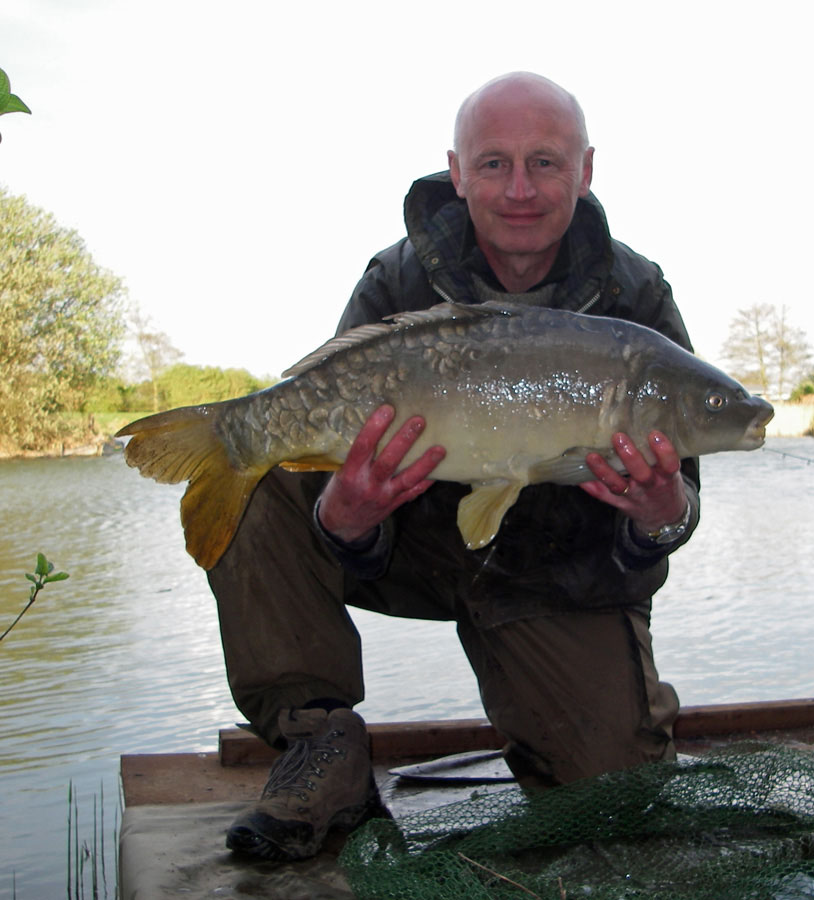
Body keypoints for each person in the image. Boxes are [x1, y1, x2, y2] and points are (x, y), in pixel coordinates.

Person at [209, 71, 701, 862]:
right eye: (494, 163)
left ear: (585, 171)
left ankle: (555, 726)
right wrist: (346, 520)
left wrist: (660, 516)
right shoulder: (397, 282)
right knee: (259, 463)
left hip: (555, 577)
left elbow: (680, 504)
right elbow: (322, 441)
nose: (519, 189)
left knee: (615, 804)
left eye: (545, 162)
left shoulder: (635, 297)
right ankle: (320, 745)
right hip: (413, 542)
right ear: (457, 172)